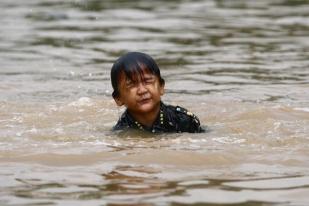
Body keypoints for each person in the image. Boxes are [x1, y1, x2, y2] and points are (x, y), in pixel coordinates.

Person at [110, 52, 204, 133]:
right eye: (131, 85)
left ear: (161, 87)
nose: (142, 90)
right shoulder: (122, 133)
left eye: (147, 81)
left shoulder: (184, 121)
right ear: (118, 98)